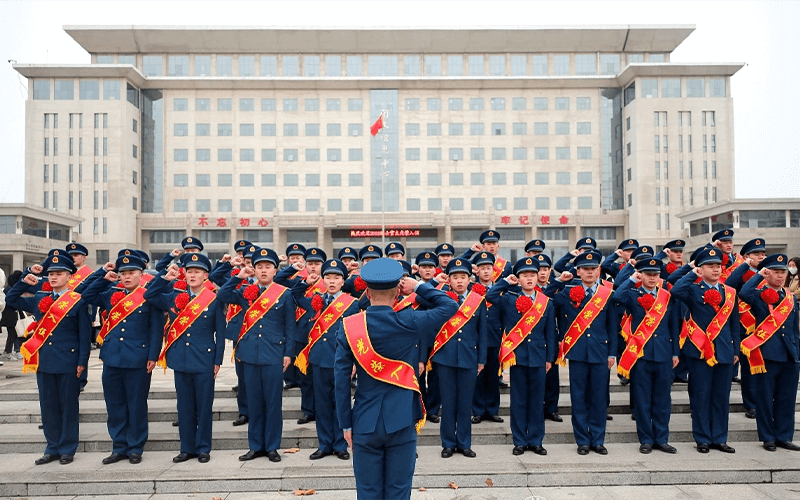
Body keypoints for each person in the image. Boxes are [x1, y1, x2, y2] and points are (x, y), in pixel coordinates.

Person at [334, 258, 457, 500]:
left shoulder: (349, 326)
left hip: (364, 420)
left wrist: (346, 424)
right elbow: (449, 306)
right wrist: (418, 286)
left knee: (368, 492)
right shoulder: (409, 320)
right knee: (399, 491)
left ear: (368, 293)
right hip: (402, 419)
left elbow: (340, 380)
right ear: (399, 292)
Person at [7, 253, 92, 465]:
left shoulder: (77, 301)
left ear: (69, 277)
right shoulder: (39, 298)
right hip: (44, 361)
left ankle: (67, 448)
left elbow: (84, 335)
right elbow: (11, 299)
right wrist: (26, 277)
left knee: (68, 407)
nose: (53, 277)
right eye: (51, 274)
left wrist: (82, 361)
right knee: (48, 407)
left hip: (68, 361)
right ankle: (52, 448)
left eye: (59, 273)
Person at [81, 254, 164, 465]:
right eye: (123, 273)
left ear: (141, 274)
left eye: (131, 273)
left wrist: (153, 356)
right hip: (112, 357)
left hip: (138, 358)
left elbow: (156, 329)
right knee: (115, 405)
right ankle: (119, 446)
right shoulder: (111, 293)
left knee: (136, 405)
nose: (126, 277)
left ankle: (135, 447)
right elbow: (86, 295)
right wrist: (103, 278)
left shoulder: (149, 296)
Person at [144, 254, 226, 463]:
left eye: (197, 272)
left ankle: (203, 448)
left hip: (204, 360)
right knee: (184, 407)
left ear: (205, 275)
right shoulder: (173, 296)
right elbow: (149, 295)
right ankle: (186, 448)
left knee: (204, 407)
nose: (192, 275)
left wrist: (218, 361)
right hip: (180, 359)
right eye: (189, 271)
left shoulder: (214, 300)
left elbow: (220, 333)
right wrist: (165, 278)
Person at [217, 247, 296, 463]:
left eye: (267, 267)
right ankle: (255, 446)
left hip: (274, 354)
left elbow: (290, 326)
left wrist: (288, 354)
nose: (263, 270)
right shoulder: (246, 291)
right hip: (249, 354)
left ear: (274, 270)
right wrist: (239, 277)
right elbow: (222, 296)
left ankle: (272, 447)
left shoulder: (284, 294)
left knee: (272, 403)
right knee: (253, 402)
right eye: (259, 266)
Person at [544, 251, 616, 455]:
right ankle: (582, 441)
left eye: (593, 269)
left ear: (598, 271)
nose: (589, 272)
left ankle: (598, 440)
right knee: (579, 398)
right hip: (577, 353)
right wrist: (559, 281)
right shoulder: (568, 293)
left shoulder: (607, 294)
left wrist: (612, 353)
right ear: (578, 272)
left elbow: (612, 326)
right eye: (585, 269)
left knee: (599, 399)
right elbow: (545, 298)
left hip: (600, 352)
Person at [671, 247, 739, 454]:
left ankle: (719, 438)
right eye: (710, 266)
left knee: (721, 397)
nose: (716, 269)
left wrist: (736, 349)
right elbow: (676, 290)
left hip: (724, 351)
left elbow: (734, 323)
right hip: (699, 351)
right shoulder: (693, 289)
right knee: (701, 396)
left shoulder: (729, 292)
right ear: (701, 269)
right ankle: (702, 439)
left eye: (718, 266)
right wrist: (692, 273)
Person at [486, 257, 556, 456]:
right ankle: (519, 441)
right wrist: (505, 282)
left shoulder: (546, 303)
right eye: (525, 275)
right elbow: (490, 295)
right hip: (517, 357)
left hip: (539, 357)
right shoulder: (509, 299)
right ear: (518, 278)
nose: (529, 278)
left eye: (532, 274)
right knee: (518, 401)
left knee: (537, 401)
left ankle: (536, 441)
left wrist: (550, 358)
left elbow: (551, 333)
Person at [293, 259, 360, 460]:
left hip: (341, 362)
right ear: (323, 280)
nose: (332, 281)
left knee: (340, 403)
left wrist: (355, 362)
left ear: (343, 281)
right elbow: (295, 295)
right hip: (319, 360)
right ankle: (324, 444)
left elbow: (356, 335)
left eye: (336, 277)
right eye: (328, 277)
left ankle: (340, 445)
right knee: (321, 405)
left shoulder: (352, 304)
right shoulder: (316, 300)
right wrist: (306, 282)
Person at [612, 258, 680, 454]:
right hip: (640, 355)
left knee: (662, 400)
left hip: (664, 354)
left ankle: (662, 439)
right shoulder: (633, 294)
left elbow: (674, 326)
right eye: (647, 274)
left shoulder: (666, 296)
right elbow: (617, 297)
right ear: (641, 275)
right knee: (642, 401)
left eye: (655, 274)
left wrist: (675, 352)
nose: (652, 278)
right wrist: (632, 279)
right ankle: (646, 440)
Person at [739, 254, 800, 451]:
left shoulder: (790, 298)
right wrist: (759, 275)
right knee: (765, 399)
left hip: (789, 355)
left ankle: (784, 436)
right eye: (775, 272)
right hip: (767, 354)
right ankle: (767, 437)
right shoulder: (758, 295)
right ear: (767, 273)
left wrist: (797, 353)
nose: (780, 276)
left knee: (787, 399)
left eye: (783, 272)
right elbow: (744, 293)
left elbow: (794, 329)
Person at [428, 258, 487, 458]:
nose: (459, 281)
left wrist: (482, 360)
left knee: (465, 402)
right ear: (449, 280)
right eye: (455, 277)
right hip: (445, 358)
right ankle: (447, 443)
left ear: (470, 279)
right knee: (448, 402)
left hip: (469, 358)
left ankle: (464, 443)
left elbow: (483, 332)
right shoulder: (441, 299)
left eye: (463, 277)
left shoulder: (477, 301)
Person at [726, 238, 768, 419]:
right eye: (756, 254)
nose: (761, 256)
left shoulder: (768, 273)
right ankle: (751, 404)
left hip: (766, 327)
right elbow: (729, 284)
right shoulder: (741, 273)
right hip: (745, 327)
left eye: (763, 253)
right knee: (749, 369)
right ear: (746, 256)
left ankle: (764, 402)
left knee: (764, 368)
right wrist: (745, 266)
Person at [470, 251, 505, 424]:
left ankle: (492, 410)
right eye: (482, 268)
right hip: (475, 339)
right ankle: (477, 410)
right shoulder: (470, 290)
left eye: (488, 268)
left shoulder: (501, 289)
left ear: (494, 270)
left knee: (493, 376)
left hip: (495, 338)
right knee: (477, 377)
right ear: (476, 270)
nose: (485, 271)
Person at [1, 271, 23, 362]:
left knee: (12, 333)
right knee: (13, 333)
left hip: (7, 314)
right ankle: (8, 352)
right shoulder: (12, 290)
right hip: (10, 314)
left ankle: (9, 352)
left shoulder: (8, 289)